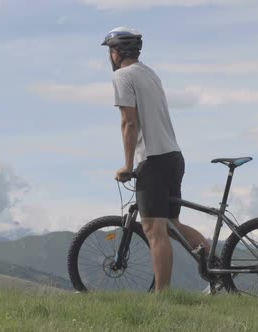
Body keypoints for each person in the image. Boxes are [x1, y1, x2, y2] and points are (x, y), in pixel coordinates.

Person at [102, 27, 211, 292]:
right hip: (173, 157)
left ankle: (162, 297)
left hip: (153, 160)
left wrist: (128, 166)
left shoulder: (123, 76)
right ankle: (218, 270)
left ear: (117, 53)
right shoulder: (149, 73)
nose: (110, 56)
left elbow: (129, 122)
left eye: (110, 51)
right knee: (171, 225)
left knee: (153, 230)